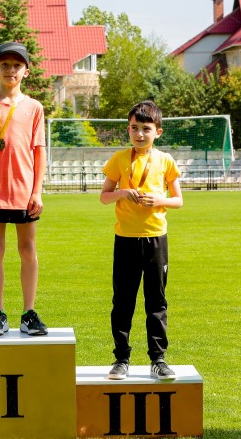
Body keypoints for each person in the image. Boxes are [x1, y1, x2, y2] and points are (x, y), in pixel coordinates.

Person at [99, 100, 183, 380]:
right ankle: (121, 359)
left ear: (157, 131)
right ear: (128, 129)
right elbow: (103, 197)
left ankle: (158, 359)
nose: (139, 134)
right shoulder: (120, 159)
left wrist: (160, 200)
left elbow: (178, 200)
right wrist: (122, 193)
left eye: (146, 129)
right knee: (123, 300)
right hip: (125, 239)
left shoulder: (166, 160)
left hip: (156, 239)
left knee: (156, 301)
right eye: (134, 128)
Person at [0, 42, 48, 337]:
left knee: (27, 249)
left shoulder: (34, 108)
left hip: (25, 193)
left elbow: (39, 151)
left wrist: (37, 191)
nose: (11, 70)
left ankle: (29, 313)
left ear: (26, 71)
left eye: (17, 66)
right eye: (5, 65)